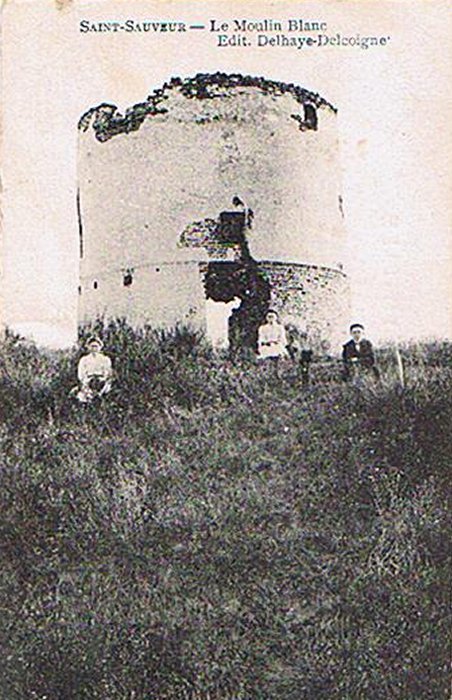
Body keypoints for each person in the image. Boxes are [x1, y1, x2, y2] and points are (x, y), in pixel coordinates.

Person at [71, 336, 113, 403]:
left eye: (96, 346)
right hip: (88, 381)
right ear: (88, 347)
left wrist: (102, 380)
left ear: (100, 347)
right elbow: (81, 374)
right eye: (92, 346)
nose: (94, 348)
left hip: (101, 382)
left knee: (108, 394)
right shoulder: (84, 360)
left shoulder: (105, 359)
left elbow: (107, 372)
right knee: (81, 397)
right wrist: (86, 382)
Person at [257, 310, 288, 375]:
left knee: (280, 356)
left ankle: (279, 372)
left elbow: (282, 339)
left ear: (276, 317)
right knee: (264, 358)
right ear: (266, 318)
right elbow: (261, 339)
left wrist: (278, 343)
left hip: (277, 346)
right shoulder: (263, 328)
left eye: (272, 316)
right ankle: (267, 373)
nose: (271, 319)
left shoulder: (280, 328)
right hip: (267, 346)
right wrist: (265, 343)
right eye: (269, 317)